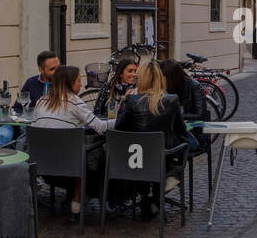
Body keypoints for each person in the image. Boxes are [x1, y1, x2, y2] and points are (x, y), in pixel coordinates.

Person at [31, 65, 115, 215]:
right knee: (88, 152)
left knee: (71, 146)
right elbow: (100, 126)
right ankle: (78, 198)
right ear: (70, 83)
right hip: (68, 163)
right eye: (78, 81)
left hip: (41, 162)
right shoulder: (75, 102)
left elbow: (34, 128)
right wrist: (120, 118)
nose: (81, 84)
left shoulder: (41, 101)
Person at [116, 61, 188, 218]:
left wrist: (123, 103)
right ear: (160, 79)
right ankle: (167, 181)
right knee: (179, 141)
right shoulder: (171, 100)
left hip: (134, 159)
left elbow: (119, 129)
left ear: (141, 79)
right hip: (163, 158)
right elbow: (181, 131)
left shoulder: (132, 101)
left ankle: (145, 197)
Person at [160, 59, 209, 155]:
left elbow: (200, 114)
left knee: (162, 146)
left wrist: (177, 116)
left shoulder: (194, 86)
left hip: (191, 134)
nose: (160, 80)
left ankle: (171, 168)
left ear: (171, 77)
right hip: (173, 133)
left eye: (162, 77)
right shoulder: (165, 88)